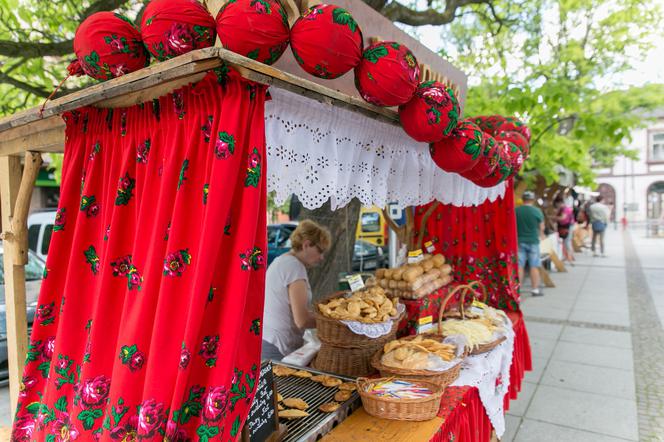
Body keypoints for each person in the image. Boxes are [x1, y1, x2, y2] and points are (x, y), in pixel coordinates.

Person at [261, 219, 331, 361]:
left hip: (268, 340)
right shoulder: (294, 267)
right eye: (320, 251)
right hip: (277, 345)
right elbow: (302, 320)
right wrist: (333, 323)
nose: (322, 258)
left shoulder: (282, 260)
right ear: (306, 245)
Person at [516, 191, 545, 296]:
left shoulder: (516, 211)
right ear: (532, 200)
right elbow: (541, 228)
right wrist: (542, 236)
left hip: (519, 241)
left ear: (523, 199)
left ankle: (517, 289)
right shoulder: (537, 211)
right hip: (533, 241)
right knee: (534, 266)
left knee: (520, 266)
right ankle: (535, 289)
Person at [554, 196, 575, 263]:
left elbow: (563, 218)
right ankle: (569, 256)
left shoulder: (564, 209)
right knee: (567, 242)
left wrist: (552, 217)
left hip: (567, 227)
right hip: (567, 226)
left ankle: (569, 257)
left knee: (567, 242)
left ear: (559, 203)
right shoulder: (565, 208)